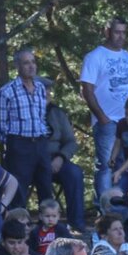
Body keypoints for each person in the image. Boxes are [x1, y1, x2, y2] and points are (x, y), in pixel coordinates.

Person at [80, 17, 128, 199]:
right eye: (117, 32)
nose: (121, 36)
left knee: (126, 163)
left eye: (124, 32)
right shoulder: (95, 57)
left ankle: (121, 202)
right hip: (108, 121)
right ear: (107, 32)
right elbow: (87, 89)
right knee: (106, 164)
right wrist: (102, 117)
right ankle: (106, 207)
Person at [0, 49, 54, 209]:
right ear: (18, 66)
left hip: (40, 143)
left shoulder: (41, 88)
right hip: (19, 145)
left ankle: (47, 229)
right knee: (19, 190)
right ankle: (18, 228)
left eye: (33, 62)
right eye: (26, 63)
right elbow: (0, 126)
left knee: (46, 186)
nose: (31, 66)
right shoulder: (6, 91)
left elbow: (41, 117)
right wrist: (15, 145)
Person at [44, 79, 86, 232]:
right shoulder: (26, 112)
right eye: (43, 90)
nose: (47, 93)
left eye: (48, 90)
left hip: (56, 158)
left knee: (74, 173)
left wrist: (61, 157)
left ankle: (76, 222)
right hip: (32, 161)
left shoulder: (58, 113)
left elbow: (71, 142)